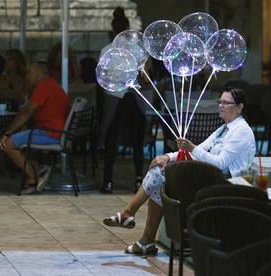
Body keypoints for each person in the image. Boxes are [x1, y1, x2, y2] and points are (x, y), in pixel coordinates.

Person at [103, 88, 256, 254]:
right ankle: (144, 238)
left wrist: (193, 148)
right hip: (209, 177)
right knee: (159, 172)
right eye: (220, 102)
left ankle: (132, 219)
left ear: (240, 107)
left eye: (226, 103)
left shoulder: (240, 130)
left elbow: (221, 163)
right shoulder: (223, 129)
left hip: (225, 184)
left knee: (160, 176)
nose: (221, 106)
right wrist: (168, 157)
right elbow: (199, 150)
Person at [0, 62, 70, 194]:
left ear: (39, 74)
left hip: (50, 133)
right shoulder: (51, 85)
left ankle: (32, 177)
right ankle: (38, 168)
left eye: (29, 73)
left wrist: (7, 133)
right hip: (55, 132)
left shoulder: (44, 86)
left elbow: (27, 112)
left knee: (5, 144)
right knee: (19, 135)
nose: (26, 76)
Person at [99, 6, 147, 193]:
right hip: (132, 96)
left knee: (111, 137)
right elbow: (145, 77)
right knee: (137, 139)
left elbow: (102, 80)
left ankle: (108, 180)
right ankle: (138, 179)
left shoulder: (105, 50)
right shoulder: (136, 50)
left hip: (113, 98)